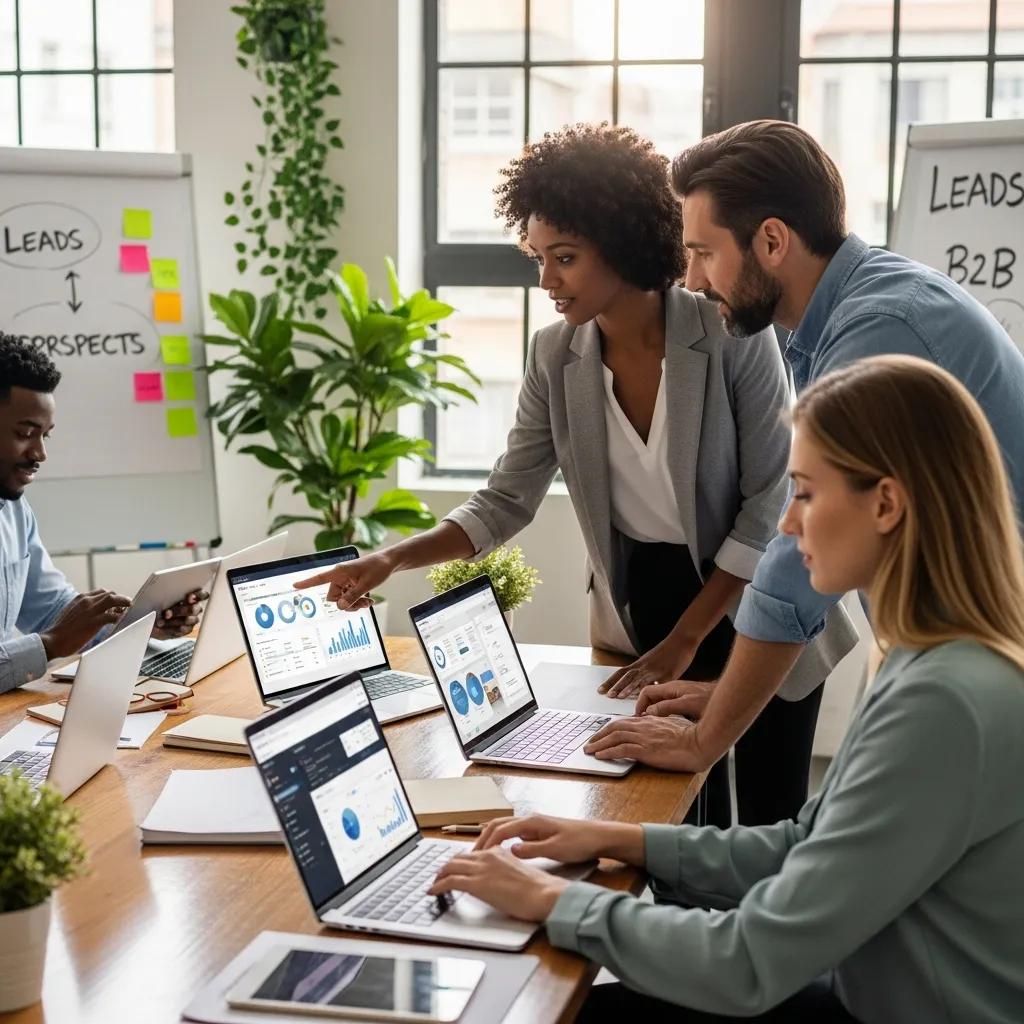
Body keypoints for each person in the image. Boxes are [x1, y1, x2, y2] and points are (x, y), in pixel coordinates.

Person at [429, 355, 1024, 1023]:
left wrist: (551, 901)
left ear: (886, 503)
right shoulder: (937, 657)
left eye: (804, 492)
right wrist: (612, 839)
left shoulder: (945, 701)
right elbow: (807, 843)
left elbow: (747, 963)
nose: (789, 524)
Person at [297, 122, 849, 825]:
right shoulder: (554, 355)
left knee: (772, 815)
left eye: (565, 257)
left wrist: (688, 639)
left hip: (755, 598)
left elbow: (770, 499)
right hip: (640, 609)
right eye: (537, 258)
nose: (546, 280)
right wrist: (390, 558)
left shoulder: (727, 330)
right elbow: (506, 499)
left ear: (621, 243)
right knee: (662, 814)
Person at [585, 119, 1024, 790]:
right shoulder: (854, 312)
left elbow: (796, 562)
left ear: (771, 241)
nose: (693, 279)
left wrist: (708, 736)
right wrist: (729, 695)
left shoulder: (879, 327)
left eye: (704, 252)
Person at [0, 335, 206, 694]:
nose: (40, 453)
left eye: (46, 435)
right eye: (26, 433)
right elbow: (57, 633)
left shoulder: (15, 511)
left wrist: (140, 624)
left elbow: (55, 612)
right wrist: (50, 644)